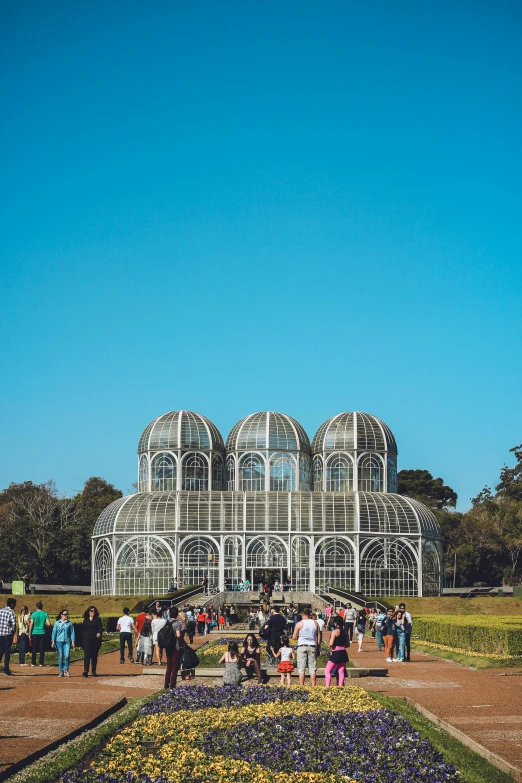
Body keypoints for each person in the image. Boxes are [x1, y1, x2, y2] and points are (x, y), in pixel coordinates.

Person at [292, 607, 321, 686]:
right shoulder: (315, 623)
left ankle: (302, 685)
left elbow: (294, 637)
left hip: (302, 645)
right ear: (309, 614)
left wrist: (299, 636)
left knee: (301, 667)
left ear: (302, 614)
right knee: (312, 668)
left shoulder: (299, 623)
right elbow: (319, 637)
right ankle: (313, 685)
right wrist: (318, 648)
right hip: (312, 645)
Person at [161, 607, 183, 689]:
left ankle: (166, 684)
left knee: (169, 667)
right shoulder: (177, 623)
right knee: (175, 667)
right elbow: (178, 635)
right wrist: (182, 641)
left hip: (168, 646)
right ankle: (172, 685)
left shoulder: (167, 622)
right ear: (177, 614)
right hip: (175, 646)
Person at [325, 616, 349, 687]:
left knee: (327, 671)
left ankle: (327, 687)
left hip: (336, 652)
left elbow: (331, 644)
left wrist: (329, 642)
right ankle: (340, 687)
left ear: (336, 624)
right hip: (343, 652)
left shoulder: (334, 632)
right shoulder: (345, 632)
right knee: (341, 671)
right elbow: (348, 644)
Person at [51, 609, 75, 677]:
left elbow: (72, 633)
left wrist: (73, 641)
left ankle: (66, 670)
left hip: (67, 641)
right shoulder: (57, 623)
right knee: (60, 656)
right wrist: (53, 641)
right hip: (59, 641)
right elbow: (54, 632)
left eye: (67, 614)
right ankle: (61, 671)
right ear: (61, 615)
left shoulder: (69, 623)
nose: (66, 615)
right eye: (65, 614)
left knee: (67, 656)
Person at [82, 605, 103, 677]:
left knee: (94, 655)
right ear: (88, 612)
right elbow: (83, 629)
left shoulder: (97, 619)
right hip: (86, 639)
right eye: (91, 611)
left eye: (94, 611)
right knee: (86, 655)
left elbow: (100, 628)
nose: (93, 612)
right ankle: (86, 671)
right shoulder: (86, 620)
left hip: (95, 640)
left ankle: (93, 671)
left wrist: (99, 633)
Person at [31, 601, 51, 667]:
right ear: (42, 607)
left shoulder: (33, 614)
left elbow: (31, 624)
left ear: (36, 607)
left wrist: (29, 633)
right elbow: (49, 624)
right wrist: (47, 628)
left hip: (34, 632)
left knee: (34, 647)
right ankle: (41, 662)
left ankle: (33, 662)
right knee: (41, 648)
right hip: (42, 632)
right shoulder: (45, 614)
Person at [0, 597, 16, 676]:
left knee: (0, 650)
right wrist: (14, 633)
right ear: (12, 604)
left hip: (0, 634)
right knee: (7, 652)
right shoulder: (11, 612)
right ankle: (6, 670)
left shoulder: (1, 611)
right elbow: (13, 624)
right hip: (8, 634)